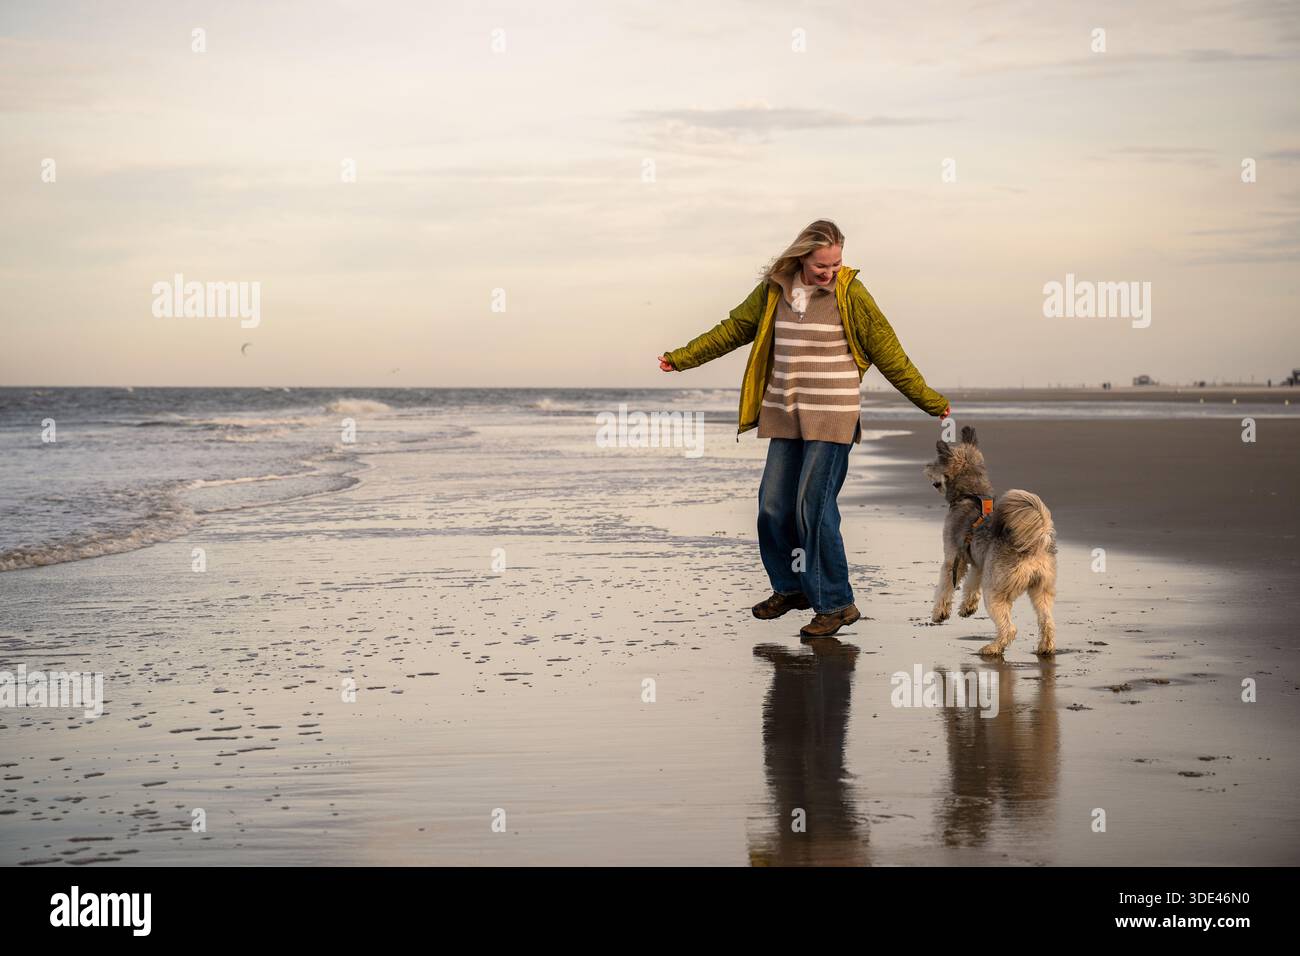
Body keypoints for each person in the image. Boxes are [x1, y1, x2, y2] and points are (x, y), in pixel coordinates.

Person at [658, 219, 951, 638]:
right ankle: (792, 587)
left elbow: (888, 350)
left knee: (813, 508)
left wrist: (930, 401)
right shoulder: (775, 288)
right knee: (773, 508)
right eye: (821, 266)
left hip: (833, 415)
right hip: (785, 412)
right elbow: (734, 329)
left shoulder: (850, 294)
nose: (829, 272)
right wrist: (682, 357)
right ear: (801, 257)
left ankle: (836, 604)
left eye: (836, 264)